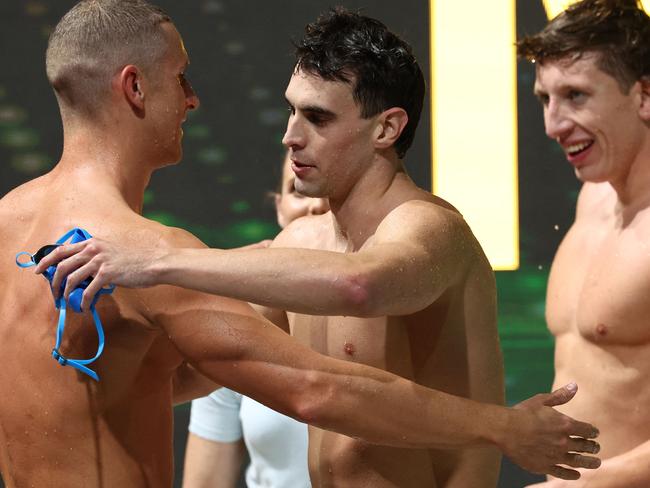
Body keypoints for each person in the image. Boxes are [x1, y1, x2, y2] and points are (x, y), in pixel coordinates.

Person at [36, 5, 602, 486]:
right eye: (291, 109)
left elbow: (362, 285)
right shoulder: (298, 242)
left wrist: (155, 260)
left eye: (318, 117)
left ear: (387, 128)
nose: (290, 135)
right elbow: (211, 369)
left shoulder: (430, 230)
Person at [516, 0, 650, 486]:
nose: (552, 125)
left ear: (644, 95)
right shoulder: (593, 198)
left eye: (575, 96)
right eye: (544, 99)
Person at [182, 153, 327, 488]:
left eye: (333, 190)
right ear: (279, 208)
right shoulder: (234, 330)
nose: (317, 206)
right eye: (300, 190)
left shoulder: (406, 316)